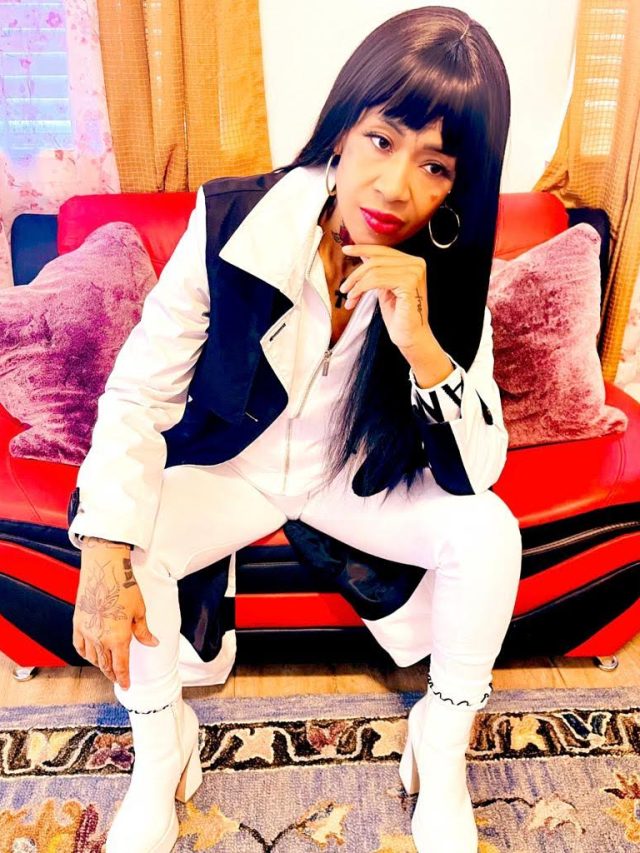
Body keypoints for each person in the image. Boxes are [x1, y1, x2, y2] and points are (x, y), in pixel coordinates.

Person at [68, 6, 522, 852]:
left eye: (435, 165)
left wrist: (422, 344)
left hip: (350, 479)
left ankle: (442, 746)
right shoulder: (232, 220)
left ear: (456, 187)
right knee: (128, 537)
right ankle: (161, 754)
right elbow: (137, 392)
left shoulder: (451, 273)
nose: (396, 187)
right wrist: (102, 549)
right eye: (383, 140)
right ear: (345, 126)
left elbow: (478, 469)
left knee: (490, 531)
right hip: (235, 469)